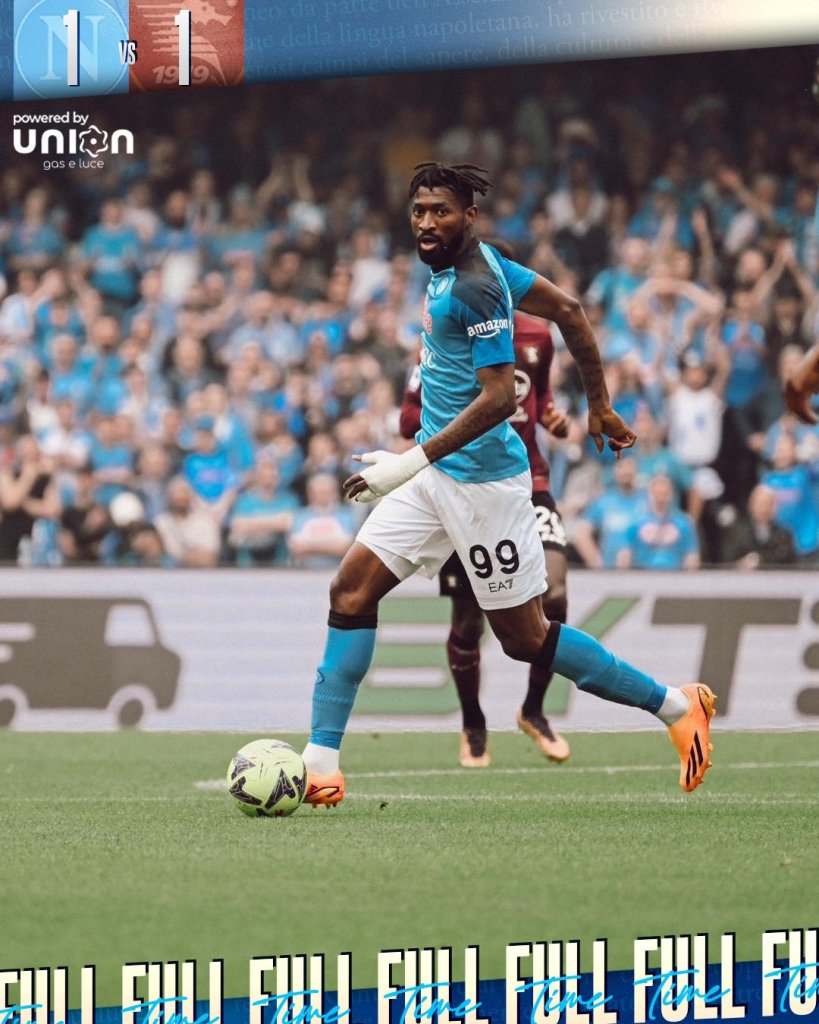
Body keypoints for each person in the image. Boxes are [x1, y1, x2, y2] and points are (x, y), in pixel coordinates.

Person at [301, 162, 715, 809]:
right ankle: (320, 765)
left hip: (484, 488)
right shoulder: (473, 265)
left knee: (525, 639)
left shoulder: (474, 285)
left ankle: (676, 706)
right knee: (350, 590)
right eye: (419, 211)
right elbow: (570, 309)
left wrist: (407, 462)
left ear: (469, 217)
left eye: (441, 211)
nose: (427, 222)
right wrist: (599, 406)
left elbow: (499, 399)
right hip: (437, 474)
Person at [399, 281, 572, 768]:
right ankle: (473, 723)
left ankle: (533, 710)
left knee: (555, 592)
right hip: (467, 487)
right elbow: (407, 418)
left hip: (529, 480)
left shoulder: (538, 337)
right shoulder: (445, 339)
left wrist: (551, 417)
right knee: (469, 617)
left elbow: (540, 396)